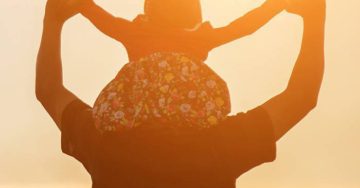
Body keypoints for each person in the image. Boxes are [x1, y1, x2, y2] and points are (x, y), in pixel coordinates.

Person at [35, 0, 326, 188]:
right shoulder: (221, 146)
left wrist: (53, 22)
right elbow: (302, 96)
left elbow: (48, 90)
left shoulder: (103, 143)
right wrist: (314, 20)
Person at [78, 0, 286, 133]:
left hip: (140, 117)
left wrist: (79, 5)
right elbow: (242, 27)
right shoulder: (198, 37)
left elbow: (102, 19)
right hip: (188, 117)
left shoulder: (137, 33)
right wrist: (276, 5)